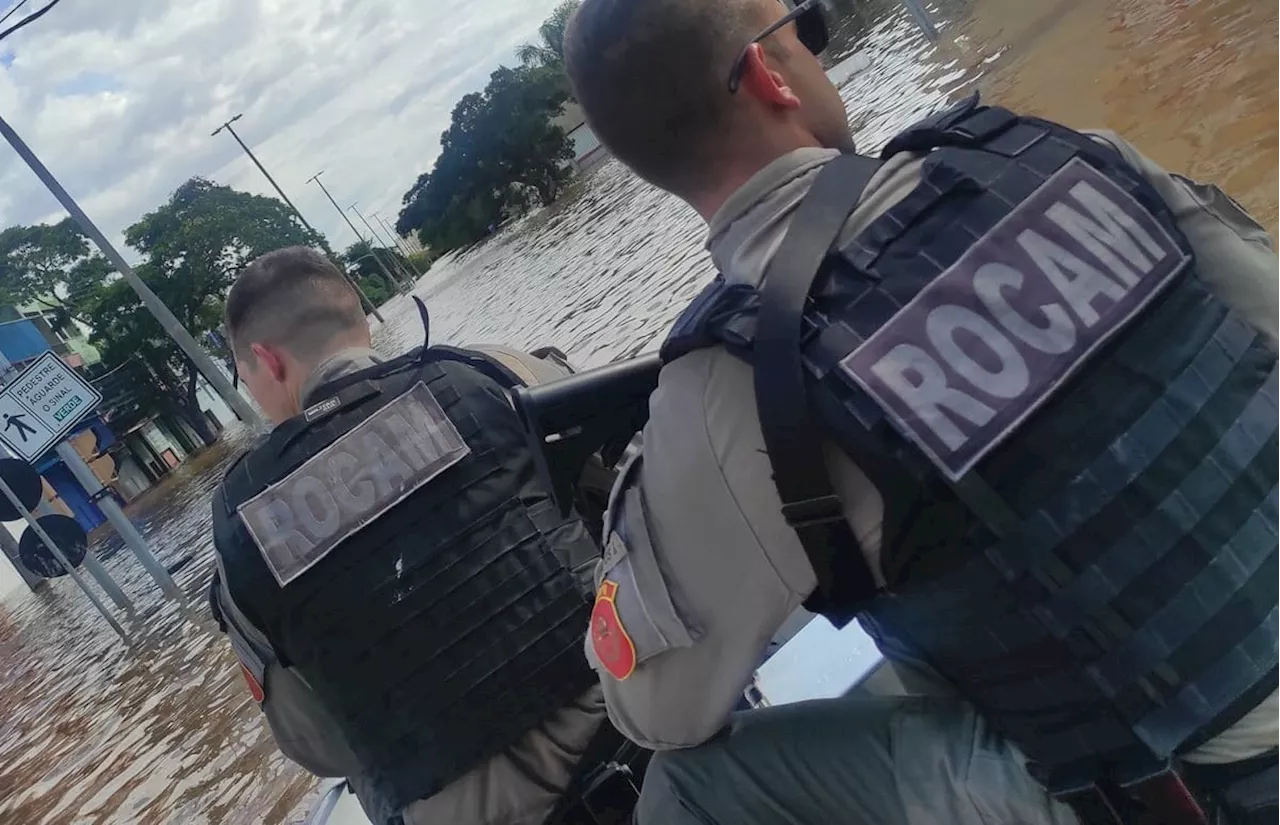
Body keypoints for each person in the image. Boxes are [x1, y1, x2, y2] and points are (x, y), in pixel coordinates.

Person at [562, 0, 1280, 823]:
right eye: (806, 29)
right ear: (768, 74)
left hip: (1204, 790)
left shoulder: (736, 383)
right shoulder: (1049, 151)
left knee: (686, 787)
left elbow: (659, 710)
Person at [206, 247, 636, 825]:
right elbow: (633, 501)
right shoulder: (487, 373)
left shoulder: (241, 527)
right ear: (355, 310)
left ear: (266, 359)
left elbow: (318, 746)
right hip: (634, 733)